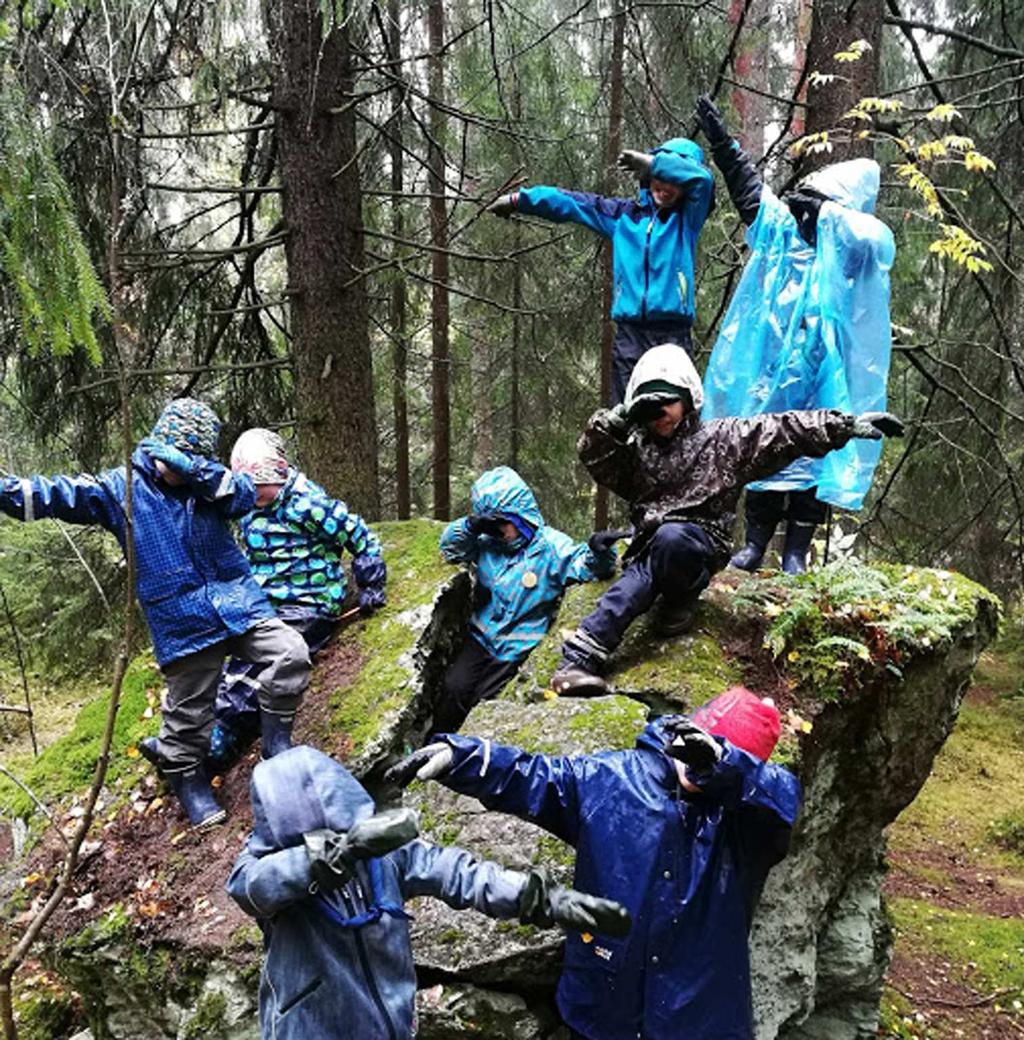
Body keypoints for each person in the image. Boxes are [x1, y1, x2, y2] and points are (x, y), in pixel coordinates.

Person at [386, 686, 798, 1040]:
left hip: (699, 1020)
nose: (695, 762)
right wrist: (460, 757)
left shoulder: (748, 824)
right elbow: (535, 777)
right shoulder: (611, 779)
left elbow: (782, 802)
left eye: (708, 755)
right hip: (601, 1006)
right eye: (694, 745)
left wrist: (722, 767)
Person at [0, 399, 311, 827]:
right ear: (157, 448)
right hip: (182, 622)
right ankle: (186, 778)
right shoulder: (120, 488)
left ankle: (277, 748)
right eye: (171, 461)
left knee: (290, 653)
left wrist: (196, 471)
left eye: (186, 463)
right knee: (189, 717)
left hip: (239, 606)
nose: (175, 472)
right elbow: (54, 495)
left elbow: (245, 496)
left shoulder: (209, 483)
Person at [548, 344, 904, 696]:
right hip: (653, 550)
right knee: (646, 565)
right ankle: (576, 662)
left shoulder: (722, 440)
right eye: (648, 408)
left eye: (666, 403)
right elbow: (596, 458)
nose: (659, 416)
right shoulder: (636, 449)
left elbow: (782, 431)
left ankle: (679, 601)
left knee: (671, 541)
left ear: (688, 398)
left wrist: (843, 426)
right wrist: (609, 425)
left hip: (698, 549)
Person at [227, 744, 631, 1040]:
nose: (333, 838)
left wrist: (543, 899)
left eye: (338, 829)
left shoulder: (383, 853)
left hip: (392, 1022)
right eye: (317, 837)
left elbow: (462, 875)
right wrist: (332, 856)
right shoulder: (264, 866)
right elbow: (255, 888)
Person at [695, 94, 897, 574]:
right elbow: (748, 192)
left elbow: (875, 240)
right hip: (771, 375)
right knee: (764, 449)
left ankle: (796, 552)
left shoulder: (851, 247)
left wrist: (830, 215)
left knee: (815, 455)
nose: (808, 211)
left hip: (823, 377)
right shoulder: (782, 234)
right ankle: (757, 542)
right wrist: (723, 143)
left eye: (820, 205)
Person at [207, 428, 387, 768]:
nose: (255, 497)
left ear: (280, 470)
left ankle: (224, 736)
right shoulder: (248, 508)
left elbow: (359, 535)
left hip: (308, 602)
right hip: (263, 602)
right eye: (249, 491)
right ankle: (203, 730)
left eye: (260, 489)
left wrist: (370, 582)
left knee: (267, 665)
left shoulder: (308, 503)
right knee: (233, 655)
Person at [486, 138, 714, 402]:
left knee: (674, 417)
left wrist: (655, 164)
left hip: (672, 335)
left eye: (673, 180)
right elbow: (572, 203)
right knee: (625, 417)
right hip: (630, 335)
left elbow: (703, 181)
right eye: (658, 178)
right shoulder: (622, 217)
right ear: (646, 177)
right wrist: (520, 200)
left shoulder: (687, 220)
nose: (664, 186)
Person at [437, 466, 621, 731]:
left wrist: (600, 552)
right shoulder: (488, 544)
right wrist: (471, 526)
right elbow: (450, 549)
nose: (501, 531)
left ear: (523, 515)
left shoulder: (551, 547)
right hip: (480, 636)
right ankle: (435, 746)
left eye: (506, 522)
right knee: (452, 689)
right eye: (494, 524)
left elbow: (586, 566)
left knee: (484, 705)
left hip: (517, 647)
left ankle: (464, 759)